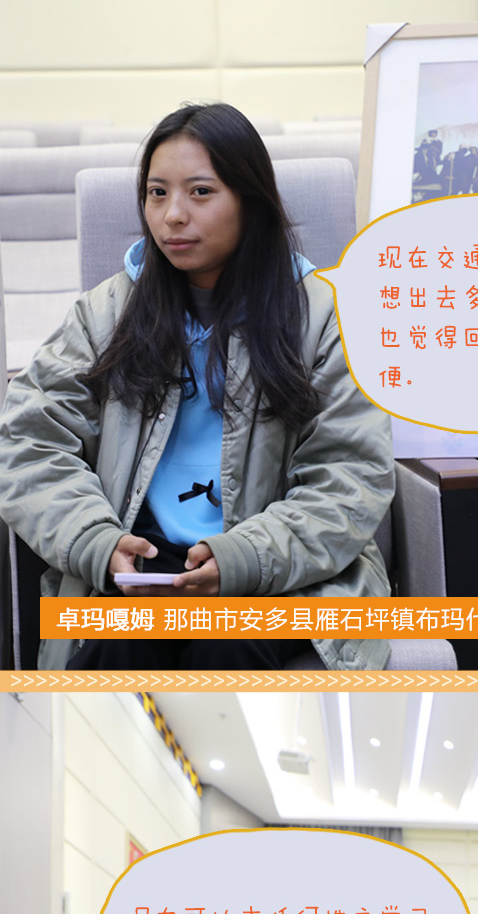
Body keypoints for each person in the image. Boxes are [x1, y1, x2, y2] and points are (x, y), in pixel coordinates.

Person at [0, 101, 394, 670]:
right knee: (115, 659)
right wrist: (96, 541)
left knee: (223, 654)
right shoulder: (105, 314)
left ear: (250, 201)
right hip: (142, 559)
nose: (173, 216)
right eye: (157, 193)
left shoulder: (325, 318)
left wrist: (243, 558)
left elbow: (350, 477)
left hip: (282, 572)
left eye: (201, 192)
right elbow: (29, 442)